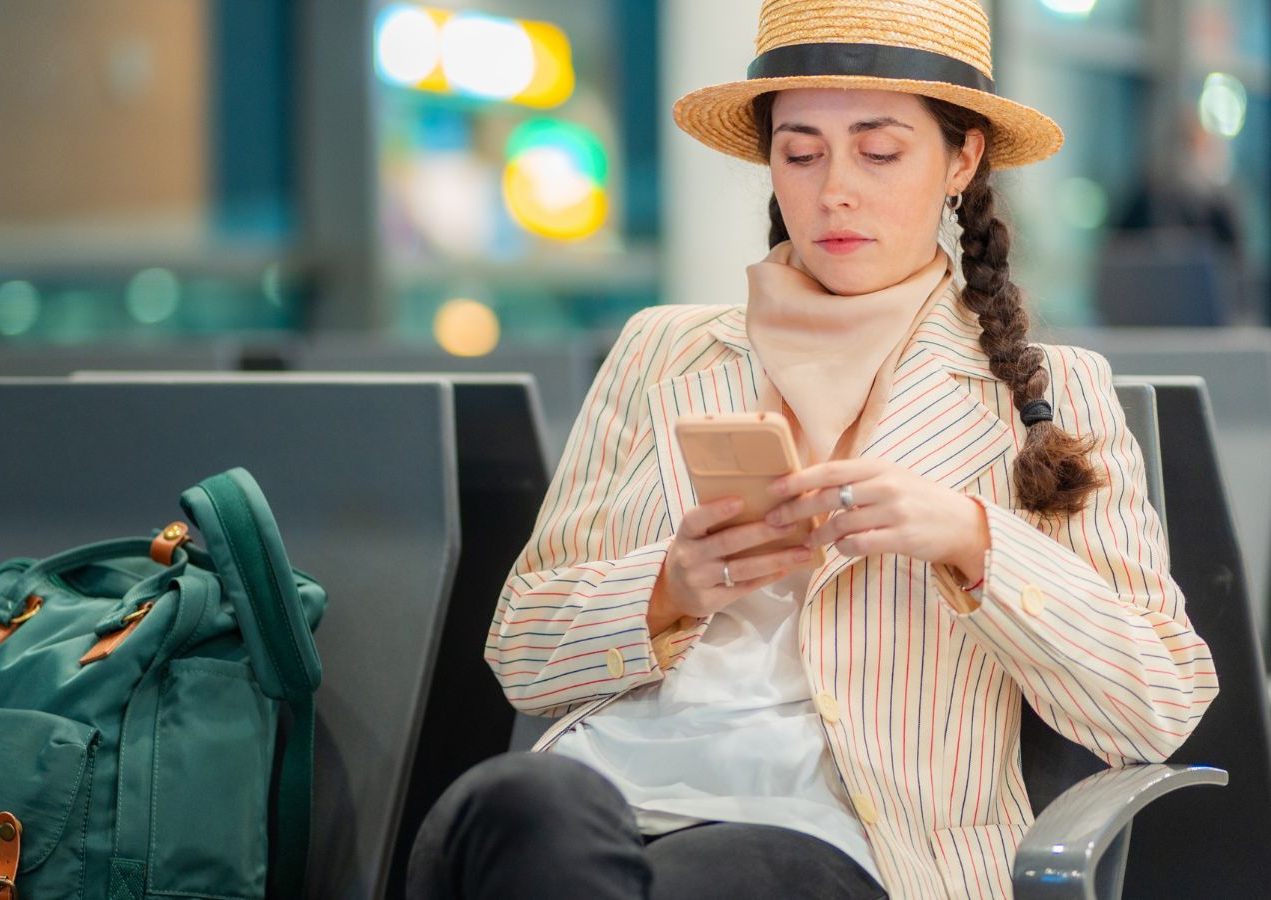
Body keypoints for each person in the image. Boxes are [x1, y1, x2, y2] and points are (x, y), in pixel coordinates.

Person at [406, 1, 1219, 898]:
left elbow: (1157, 703)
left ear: (962, 158)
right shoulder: (661, 353)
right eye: (800, 152)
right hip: (610, 789)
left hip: (845, 835)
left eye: (879, 152)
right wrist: (667, 589)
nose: (835, 189)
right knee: (515, 803)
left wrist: (975, 537)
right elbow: (521, 652)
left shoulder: (1046, 391)